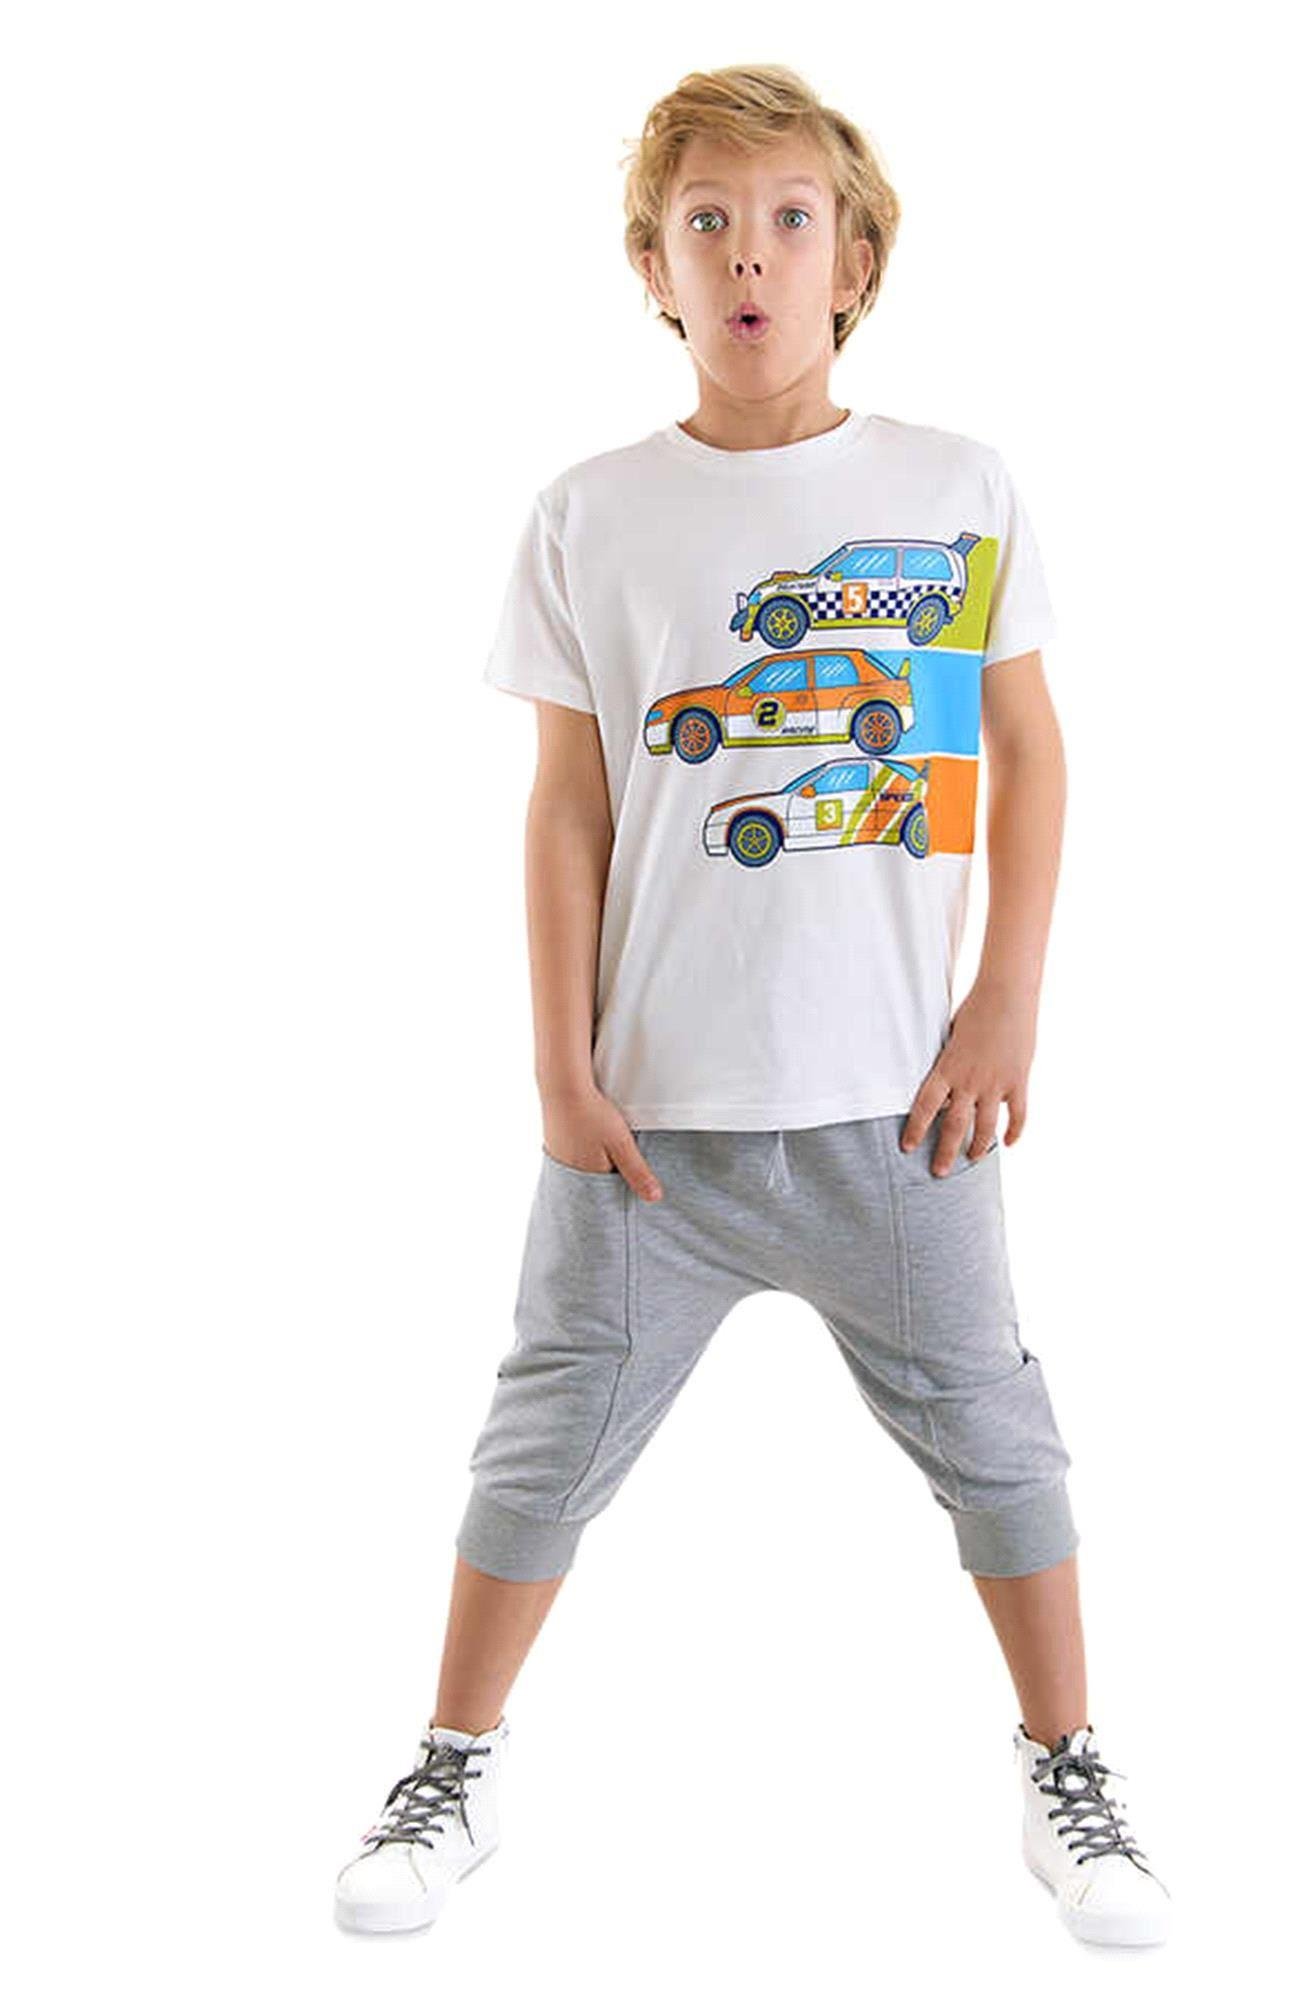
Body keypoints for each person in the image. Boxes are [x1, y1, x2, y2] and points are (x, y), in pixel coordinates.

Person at [334, 63, 1170, 1949]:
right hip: (654, 1128)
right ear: (653, 268)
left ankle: (1070, 1772)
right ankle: (452, 1763)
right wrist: (559, 1065)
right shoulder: (591, 512)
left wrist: (1006, 1001)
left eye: (791, 219)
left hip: (901, 1113)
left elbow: (1027, 751)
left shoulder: (953, 490)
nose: (749, 255)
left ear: (854, 262)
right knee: (542, 1434)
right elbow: (568, 806)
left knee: (997, 1431)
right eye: (705, 222)